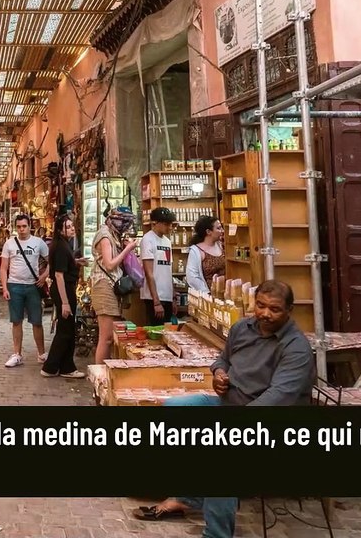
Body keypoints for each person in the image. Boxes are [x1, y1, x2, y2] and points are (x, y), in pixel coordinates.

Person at [132, 280, 315, 535]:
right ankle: (188, 495)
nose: (265, 313)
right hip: (229, 402)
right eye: (260, 306)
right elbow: (223, 359)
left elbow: (278, 397)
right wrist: (219, 374)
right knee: (172, 409)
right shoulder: (243, 327)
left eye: (274, 309)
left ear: (289, 311)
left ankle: (216, 533)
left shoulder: (296, 348)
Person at [89, 206, 138, 365]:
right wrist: (128, 249)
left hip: (109, 286)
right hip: (104, 286)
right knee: (106, 338)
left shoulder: (111, 235)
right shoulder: (105, 236)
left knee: (109, 337)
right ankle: (100, 377)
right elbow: (110, 265)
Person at [41, 214, 87, 379]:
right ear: (60, 230)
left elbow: (63, 267)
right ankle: (50, 367)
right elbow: (59, 275)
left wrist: (76, 262)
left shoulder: (63, 244)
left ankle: (67, 367)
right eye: (68, 226)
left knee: (67, 329)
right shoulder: (60, 246)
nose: (72, 228)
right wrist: (65, 303)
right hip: (64, 290)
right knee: (65, 330)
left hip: (65, 288)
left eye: (72, 225)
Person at [1, 214, 49, 368]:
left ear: (29, 227)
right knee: (16, 321)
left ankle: (41, 354)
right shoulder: (9, 244)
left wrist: (44, 277)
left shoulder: (38, 243)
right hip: (14, 285)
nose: (21, 230)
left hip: (33, 286)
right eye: (19, 227)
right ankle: (17, 354)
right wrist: (4, 287)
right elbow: (3, 267)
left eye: (24, 226)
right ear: (16, 228)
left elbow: (52, 261)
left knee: (37, 321)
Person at [140, 207, 177, 326]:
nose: (170, 227)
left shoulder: (167, 241)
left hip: (167, 296)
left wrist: (173, 298)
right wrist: (156, 302)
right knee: (156, 332)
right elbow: (149, 273)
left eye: (171, 224)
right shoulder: (148, 240)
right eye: (166, 224)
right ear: (155, 223)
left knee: (168, 333)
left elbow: (168, 270)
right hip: (153, 297)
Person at [186, 215, 227, 296]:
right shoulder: (196, 250)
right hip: (206, 296)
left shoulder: (221, 246)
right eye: (218, 228)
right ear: (208, 232)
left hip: (224, 294)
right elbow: (192, 276)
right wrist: (207, 293)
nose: (222, 231)